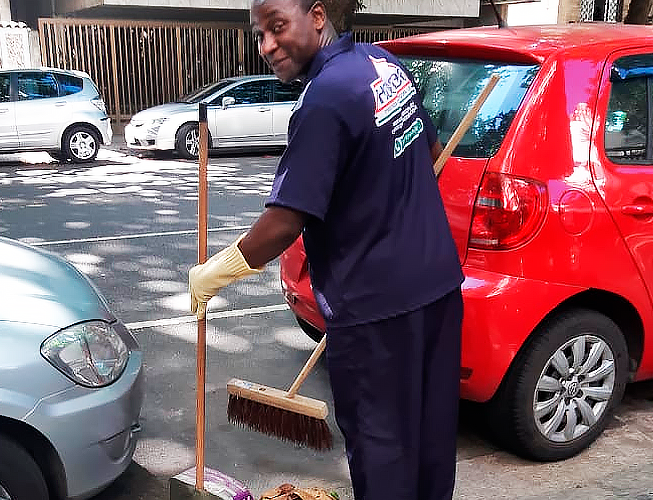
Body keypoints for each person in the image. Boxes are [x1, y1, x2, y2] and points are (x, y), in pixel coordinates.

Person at [188, 1, 464, 499]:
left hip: (375, 310)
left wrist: (212, 274)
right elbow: (427, 149)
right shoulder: (383, 66)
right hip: (438, 287)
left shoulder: (323, 101)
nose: (268, 46)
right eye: (259, 34)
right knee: (431, 439)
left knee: (382, 451)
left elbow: (285, 221)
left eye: (277, 27)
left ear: (316, 16)